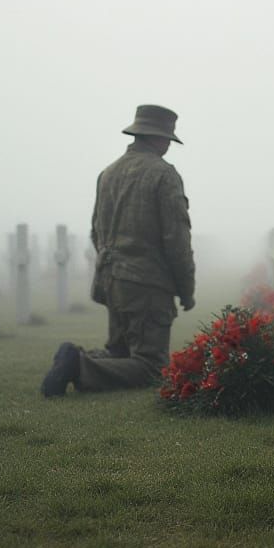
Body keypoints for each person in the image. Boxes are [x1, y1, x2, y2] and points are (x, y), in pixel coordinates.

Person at [41, 104, 195, 397]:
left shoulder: (108, 173)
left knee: (120, 350)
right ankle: (79, 366)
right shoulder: (164, 175)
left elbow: (95, 231)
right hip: (147, 284)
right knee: (151, 365)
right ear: (158, 137)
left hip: (110, 278)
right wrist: (186, 289)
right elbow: (177, 240)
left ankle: (73, 358)